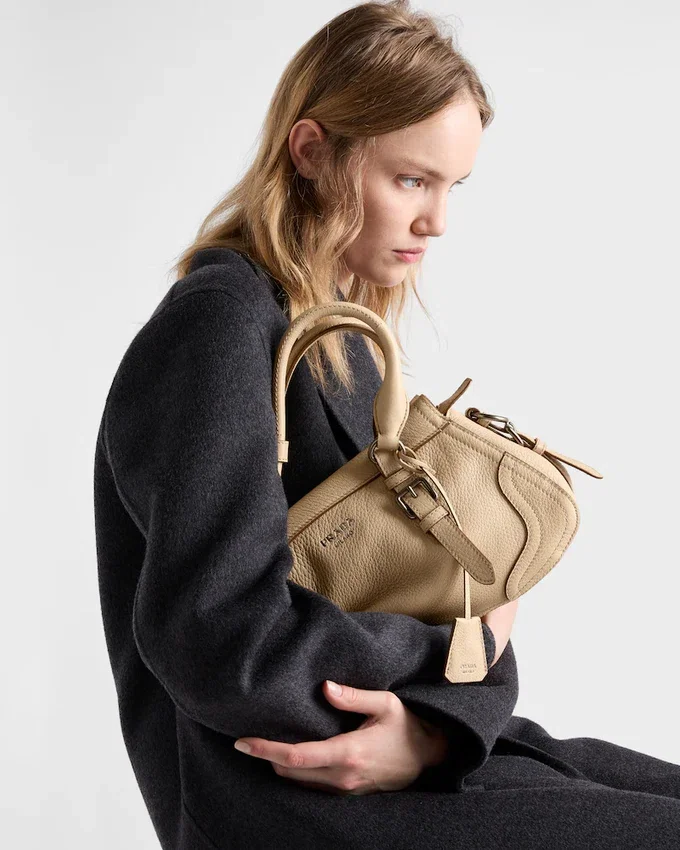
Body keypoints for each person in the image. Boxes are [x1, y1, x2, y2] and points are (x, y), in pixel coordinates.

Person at [93, 2, 680, 847]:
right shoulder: (220, 325)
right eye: (411, 180)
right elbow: (221, 636)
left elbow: (423, 587)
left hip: (401, 755)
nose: (436, 220)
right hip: (293, 796)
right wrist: (456, 655)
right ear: (311, 151)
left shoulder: (333, 332)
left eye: (451, 187)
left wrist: (439, 724)